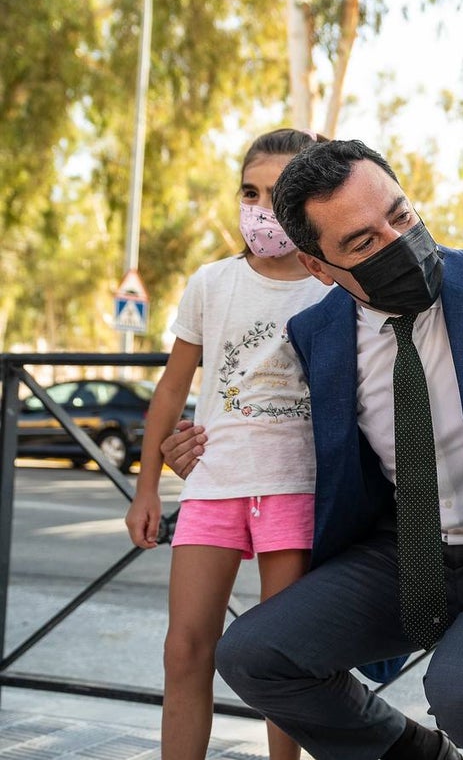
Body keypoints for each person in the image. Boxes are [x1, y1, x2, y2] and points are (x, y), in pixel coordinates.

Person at [162, 138, 463, 760]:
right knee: (253, 656)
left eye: (401, 216)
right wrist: (198, 449)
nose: (395, 243)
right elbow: (282, 423)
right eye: (362, 243)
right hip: (405, 552)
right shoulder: (317, 333)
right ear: (318, 267)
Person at [124, 128, 329, 760]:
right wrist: (147, 486)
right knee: (185, 648)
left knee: (281, 658)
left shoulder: (332, 286)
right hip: (214, 485)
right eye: (251, 191)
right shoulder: (211, 284)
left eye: (282, 193)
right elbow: (170, 389)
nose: (263, 207)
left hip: (296, 488)